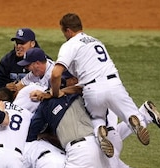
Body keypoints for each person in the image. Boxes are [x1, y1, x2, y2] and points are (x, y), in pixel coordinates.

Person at [50, 13, 150, 158]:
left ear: (68, 31)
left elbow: (55, 74)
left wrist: (55, 92)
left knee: (97, 117)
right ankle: (136, 121)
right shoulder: (97, 42)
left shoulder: (70, 44)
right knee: (133, 114)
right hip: (114, 84)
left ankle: (100, 131)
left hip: (91, 90)